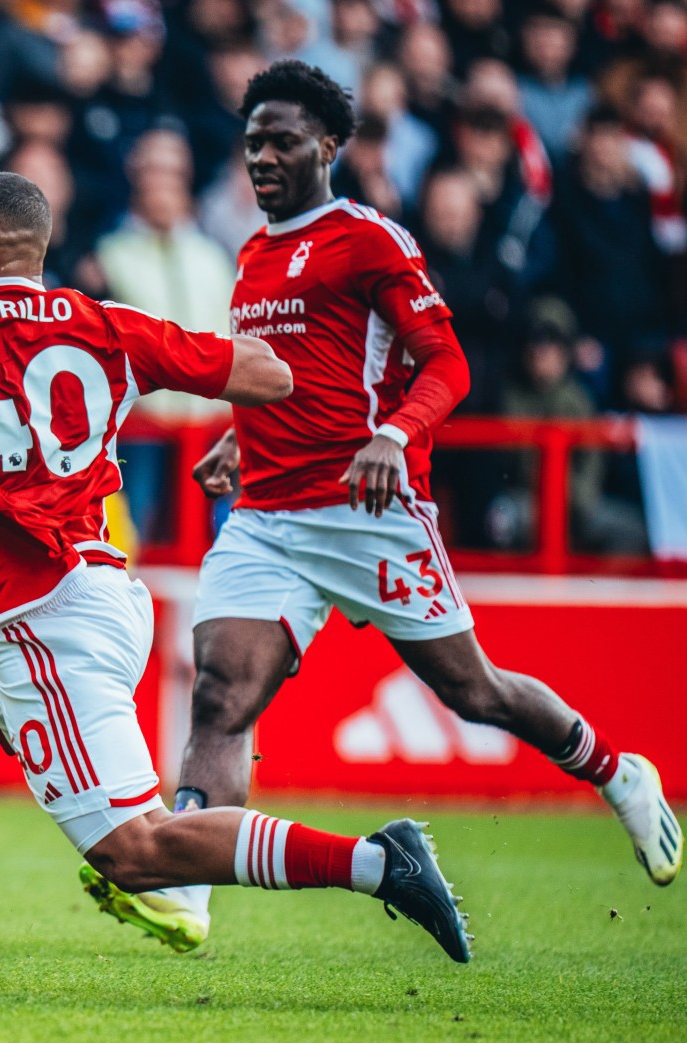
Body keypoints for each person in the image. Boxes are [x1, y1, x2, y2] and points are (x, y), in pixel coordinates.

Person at [0, 171, 475, 992]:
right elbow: (271, 376)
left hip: (42, 623)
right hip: (95, 596)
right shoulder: (102, 323)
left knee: (135, 852)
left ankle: (379, 863)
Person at [84, 60, 678, 956]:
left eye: (282, 141)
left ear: (330, 145)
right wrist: (242, 438)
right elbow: (288, 373)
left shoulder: (372, 242)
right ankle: (191, 886)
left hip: (369, 507)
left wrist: (395, 435)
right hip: (269, 517)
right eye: (252, 144)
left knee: (471, 691)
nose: (264, 158)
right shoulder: (252, 254)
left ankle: (619, 773)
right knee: (219, 693)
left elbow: (448, 364)